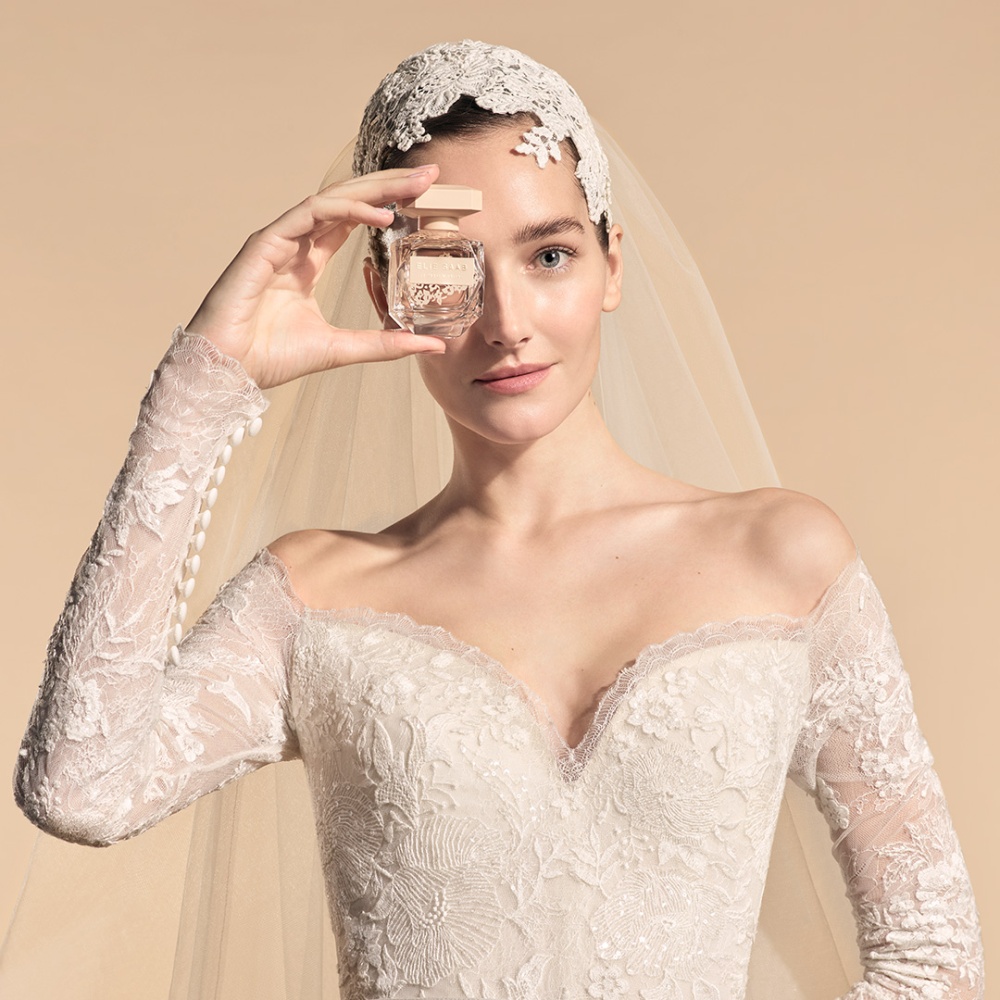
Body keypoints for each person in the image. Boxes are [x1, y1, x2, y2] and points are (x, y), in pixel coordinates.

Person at [6, 40, 984, 1000]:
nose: (506, 321)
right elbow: (81, 787)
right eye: (448, 264)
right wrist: (204, 383)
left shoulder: (782, 558)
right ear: (386, 290)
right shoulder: (315, 597)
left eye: (549, 254)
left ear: (610, 264)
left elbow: (934, 959)